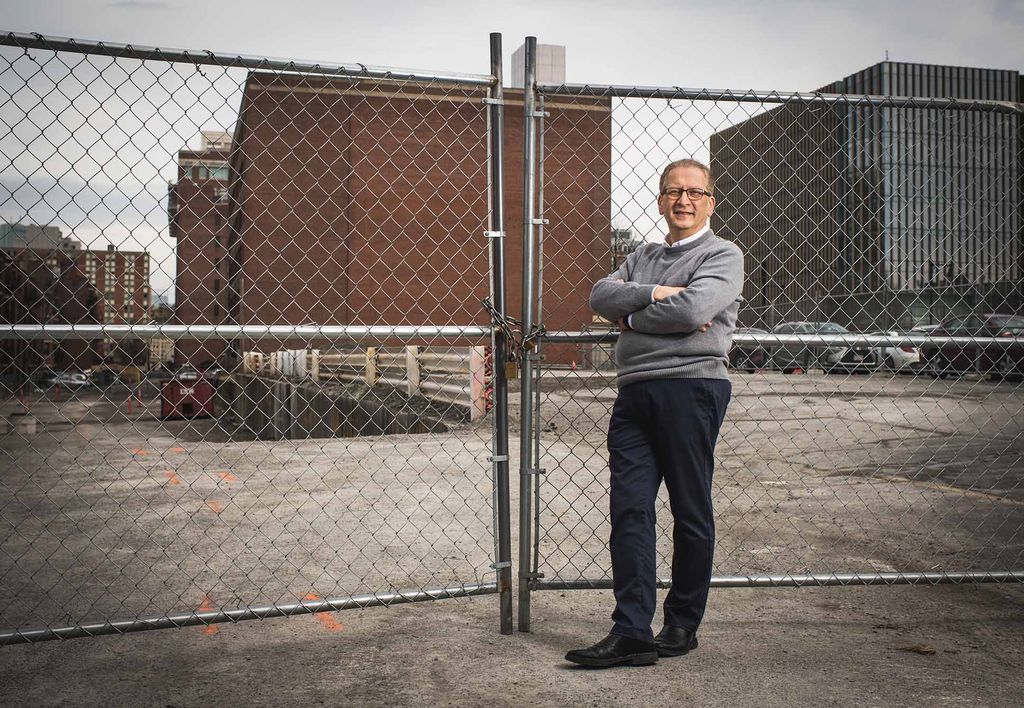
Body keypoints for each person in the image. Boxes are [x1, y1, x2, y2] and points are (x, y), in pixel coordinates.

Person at [565, 158, 744, 668]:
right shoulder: (641, 255)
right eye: (673, 191)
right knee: (629, 508)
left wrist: (632, 317)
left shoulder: (724, 254)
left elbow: (692, 311)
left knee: (689, 510)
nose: (683, 200)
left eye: (694, 192)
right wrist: (654, 294)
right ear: (661, 199)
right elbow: (600, 294)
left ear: (710, 201)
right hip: (634, 395)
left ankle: (682, 623)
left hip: (692, 391)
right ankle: (633, 632)